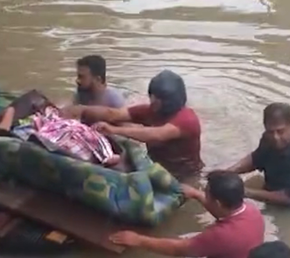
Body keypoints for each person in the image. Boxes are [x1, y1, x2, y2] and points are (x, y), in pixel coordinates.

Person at [109, 170, 264, 258]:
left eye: (206, 193)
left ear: (218, 203)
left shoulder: (219, 235)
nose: (204, 195)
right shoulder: (252, 210)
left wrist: (139, 240)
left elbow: (178, 249)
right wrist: (197, 194)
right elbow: (223, 213)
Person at [64, 69, 204, 180]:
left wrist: (114, 129)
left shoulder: (187, 119)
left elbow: (157, 135)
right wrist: (83, 109)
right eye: (152, 95)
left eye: (157, 98)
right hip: (156, 166)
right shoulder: (150, 111)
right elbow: (114, 114)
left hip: (185, 175)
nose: (152, 100)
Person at [230, 103, 290, 207]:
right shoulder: (268, 138)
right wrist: (229, 171)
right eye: (270, 131)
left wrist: (246, 192)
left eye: (280, 131)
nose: (275, 137)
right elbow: (256, 159)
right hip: (270, 194)